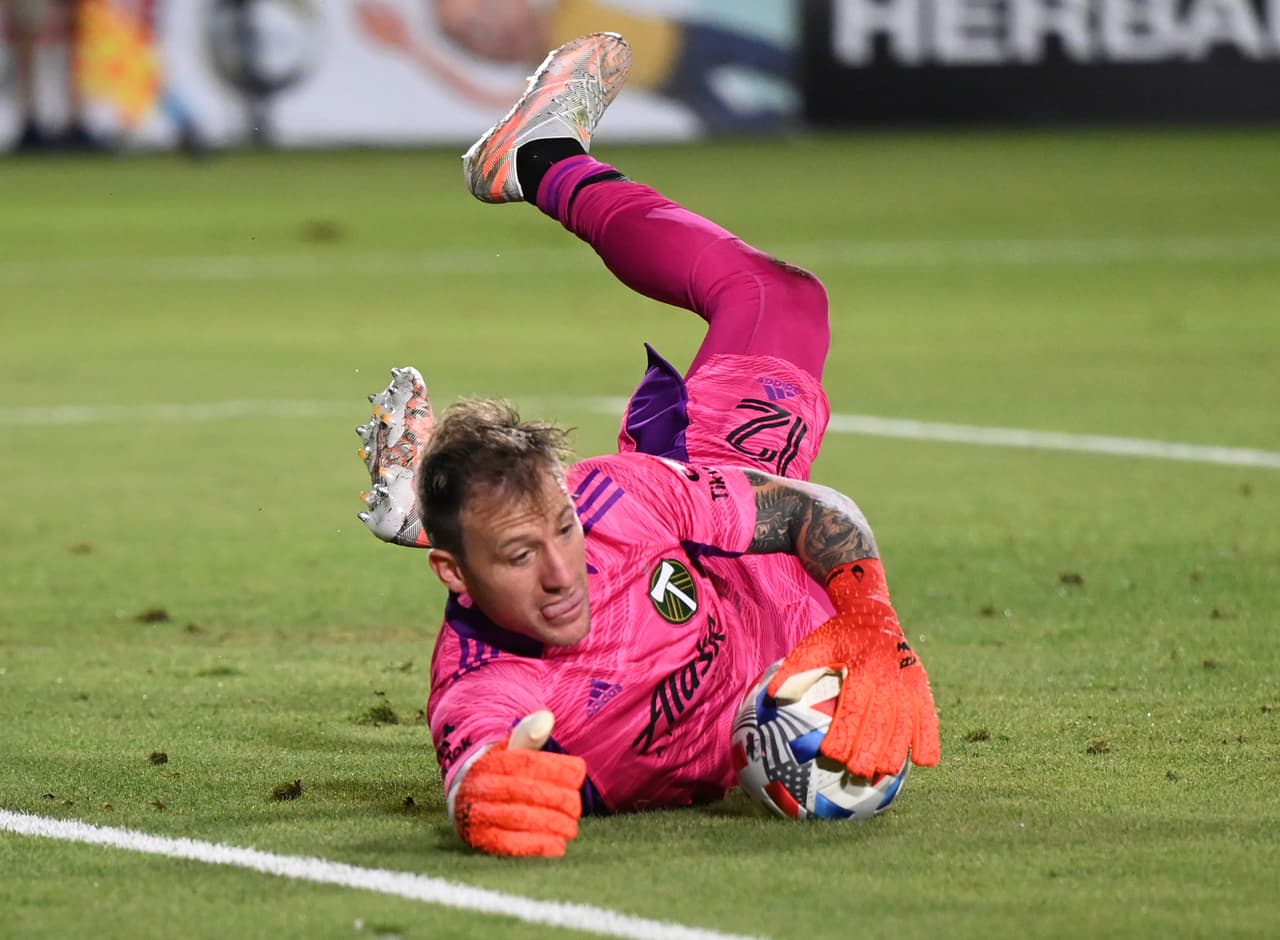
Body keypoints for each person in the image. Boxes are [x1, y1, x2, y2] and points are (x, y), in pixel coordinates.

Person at [356, 32, 940, 858]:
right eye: (521, 555)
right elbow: (474, 751)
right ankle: (451, 516)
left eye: (560, 531)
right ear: (453, 575)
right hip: (754, 646)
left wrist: (873, 622)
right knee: (776, 307)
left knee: (781, 299)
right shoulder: (489, 681)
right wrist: (478, 793)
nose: (562, 573)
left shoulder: (615, 501)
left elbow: (819, 513)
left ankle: (539, 160)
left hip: (741, 564)